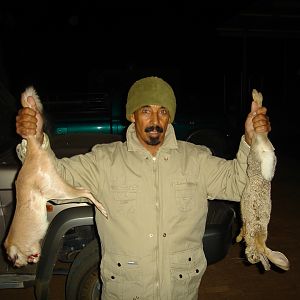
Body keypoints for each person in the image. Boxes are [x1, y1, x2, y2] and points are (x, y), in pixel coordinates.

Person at [15, 76, 271, 300]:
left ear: (170, 116)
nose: (155, 120)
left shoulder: (197, 160)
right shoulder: (104, 161)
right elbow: (53, 178)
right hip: (126, 292)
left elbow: (240, 185)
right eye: (146, 110)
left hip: (180, 292)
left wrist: (251, 142)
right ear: (132, 115)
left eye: (163, 111)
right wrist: (35, 140)